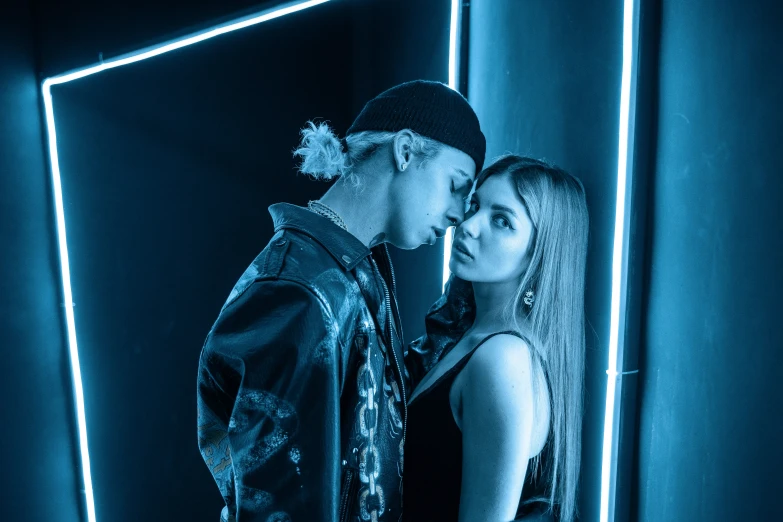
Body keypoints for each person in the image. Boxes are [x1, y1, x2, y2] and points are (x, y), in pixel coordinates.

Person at [196, 80, 486, 522]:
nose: (460, 213)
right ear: (406, 152)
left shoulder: (350, 270)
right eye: (456, 186)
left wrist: (470, 282)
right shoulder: (299, 291)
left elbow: (389, 404)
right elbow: (280, 505)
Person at [403, 155, 589, 522]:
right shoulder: (472, 338)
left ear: (539, 254)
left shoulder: (503, 358)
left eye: (501, 221)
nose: (468, 225)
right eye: (474, 205)